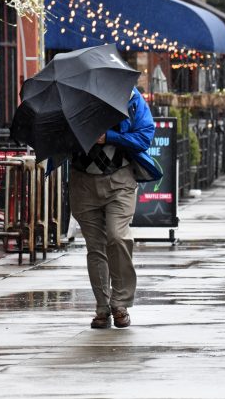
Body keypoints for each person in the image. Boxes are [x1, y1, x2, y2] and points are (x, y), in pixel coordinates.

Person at [70, 87, 162, 329]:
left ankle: (120, 303)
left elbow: (144, 136)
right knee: (95, 247)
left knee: (118, 237)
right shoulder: (70, 101)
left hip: (119, 180)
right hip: (83, 183)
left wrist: (109, 137)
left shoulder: (130, 98)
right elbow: (56, 140)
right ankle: (102, 307)